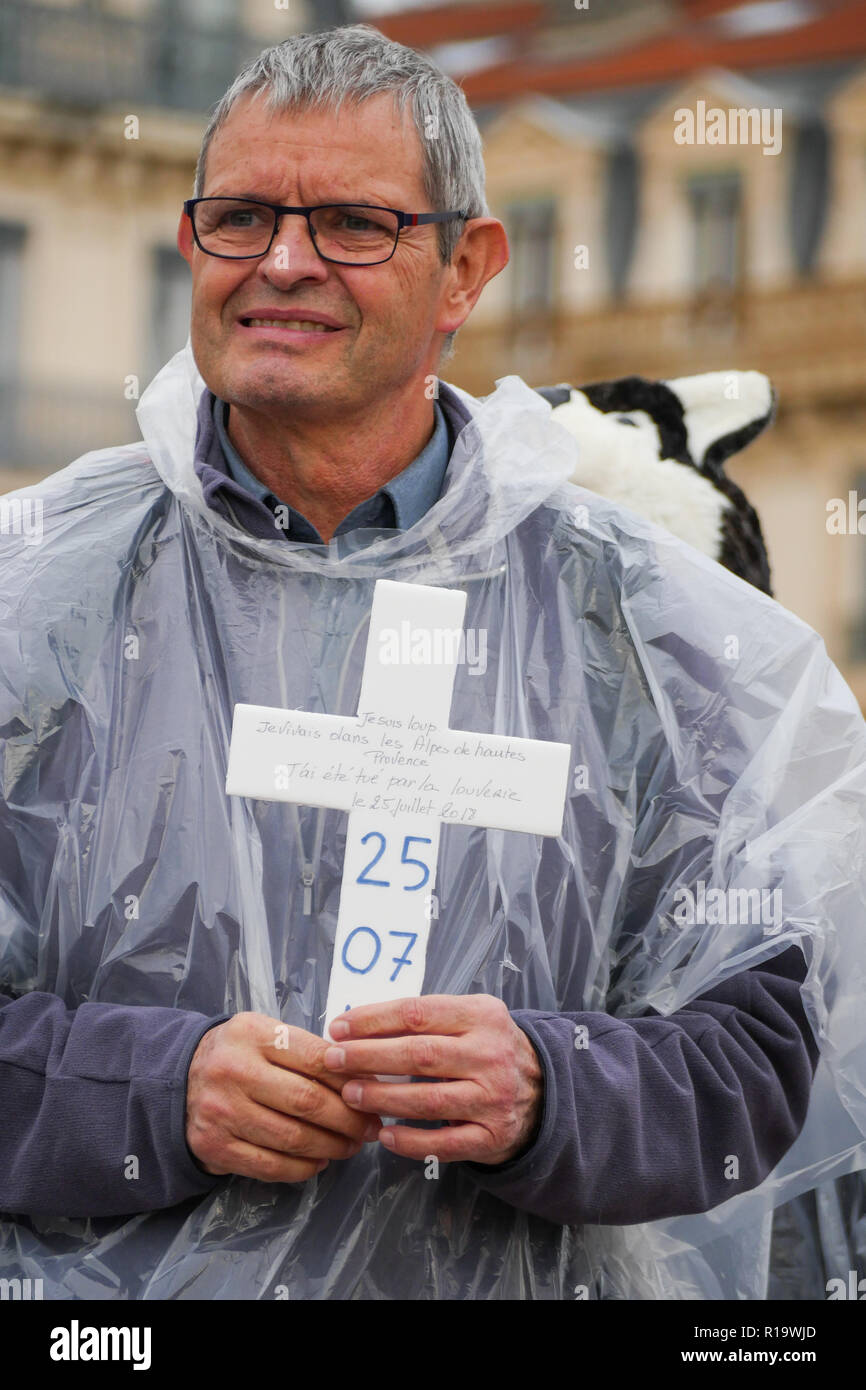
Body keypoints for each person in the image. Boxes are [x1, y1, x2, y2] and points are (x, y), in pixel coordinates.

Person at [1, 23, 865, 1301]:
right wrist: (150, 1092)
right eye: (239, 216)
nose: (282, 262)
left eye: (352, 223)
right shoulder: (34, 589)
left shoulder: (642, 620)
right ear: (190, 242)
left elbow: (758, 1049)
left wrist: (549, 1088)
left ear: (466, 267)